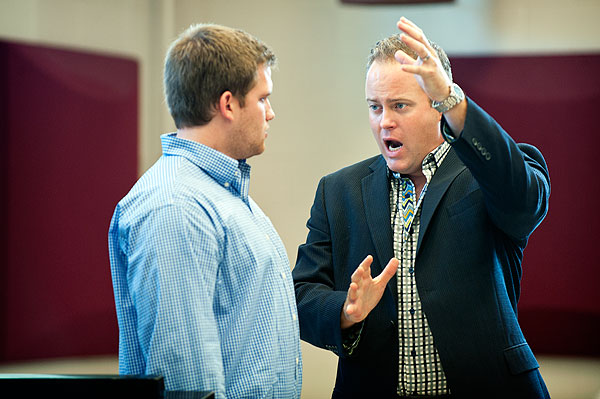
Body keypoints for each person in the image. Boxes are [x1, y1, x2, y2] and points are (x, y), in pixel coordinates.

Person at [292, 17, 550, 399]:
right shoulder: (338, 190)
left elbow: (524, 200)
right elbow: (302, 294)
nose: (385, 123)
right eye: (375, 107)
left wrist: (454, 99)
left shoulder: (486, 174)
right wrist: (345, 311)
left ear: (437, 106)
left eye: (400, 106)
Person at [108, 24, 302, 398]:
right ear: (228, 104)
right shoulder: (176, 207)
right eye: (263, 99)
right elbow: (187, 375)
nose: (271, 113)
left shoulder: (221, 194)